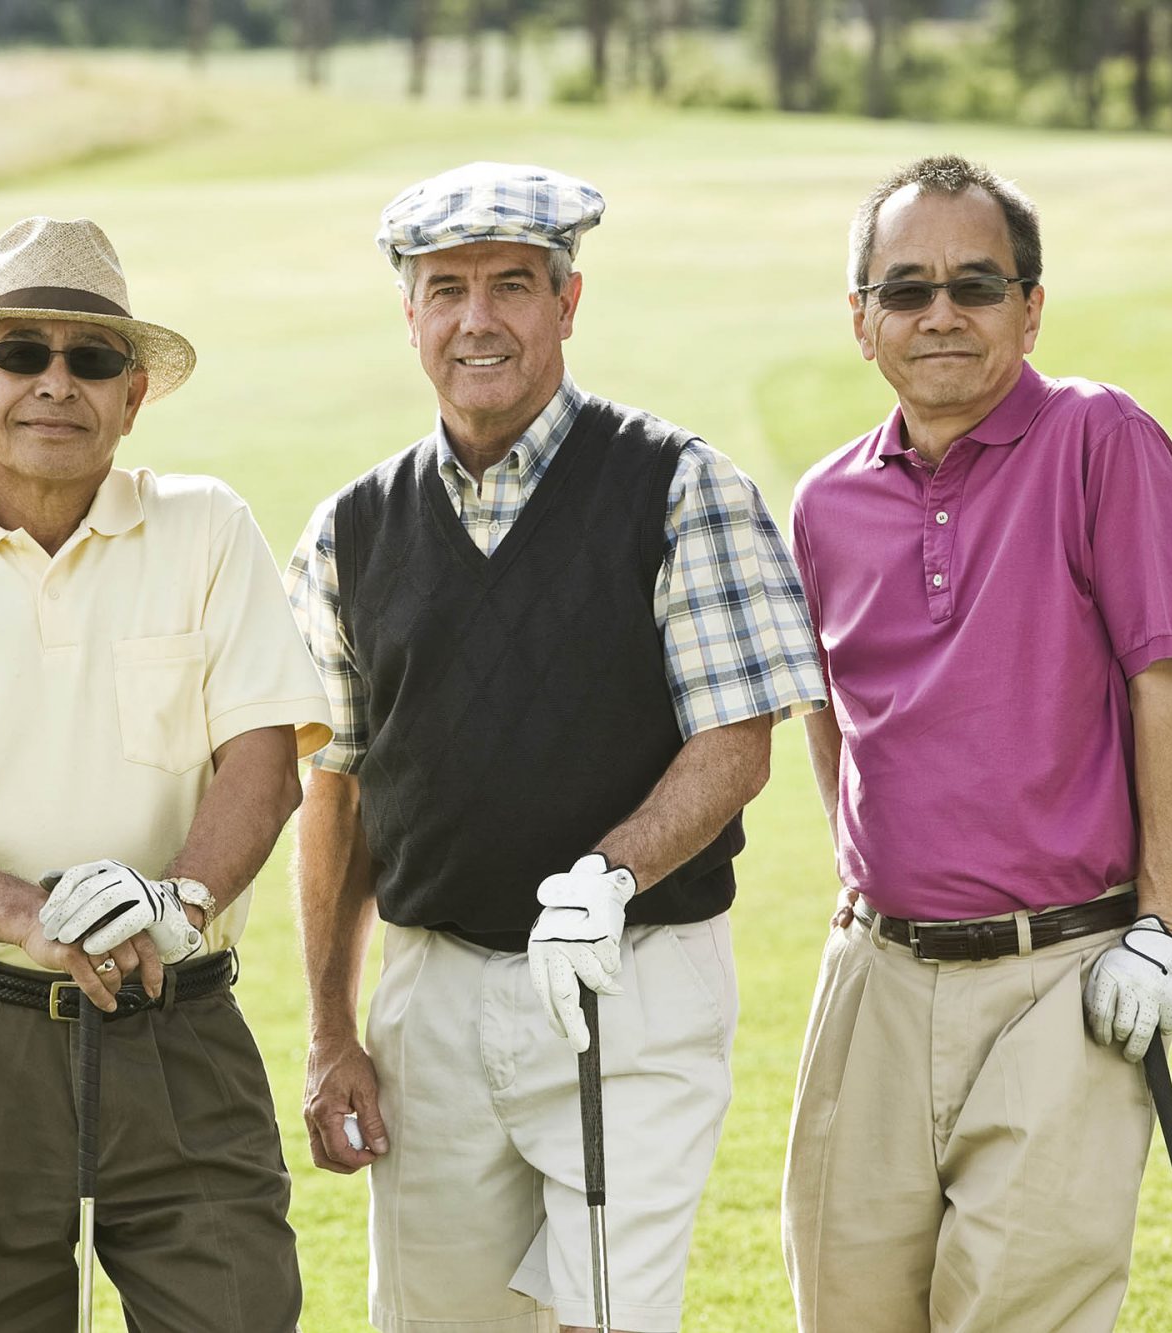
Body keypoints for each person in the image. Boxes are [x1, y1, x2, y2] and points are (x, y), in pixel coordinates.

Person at [287, 162, 826, 1333]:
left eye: (511, 286)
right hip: (427, 998)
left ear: (566, 304)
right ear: (410, 312)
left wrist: (607, 874)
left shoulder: (679, 487)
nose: (476, 319)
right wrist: (332, 1028)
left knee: (608, 1317)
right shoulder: (347, 530)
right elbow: (335, 791)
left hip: (630, 979)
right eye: (446, 289)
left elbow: (735, 743)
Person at [0, 215, 333, 1331]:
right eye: (20, 355)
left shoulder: (207, 529)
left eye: (91, 360)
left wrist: (174, 901)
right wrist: (28, 916)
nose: (56, 383)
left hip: (176, 1018)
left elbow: (264, 762)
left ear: (132, 397)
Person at [781, 155, 1172, 1332]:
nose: (939, 315)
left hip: (1062, 977)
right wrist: (852, 867)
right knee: (845, 1308)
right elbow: (827, 706)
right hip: (872, 977)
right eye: (904, 289)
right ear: (859, 318)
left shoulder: (1098, 440)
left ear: (1029, 305)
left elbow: (1160, 685)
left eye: (975, 284)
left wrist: (1163, 932)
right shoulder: (821, 502)